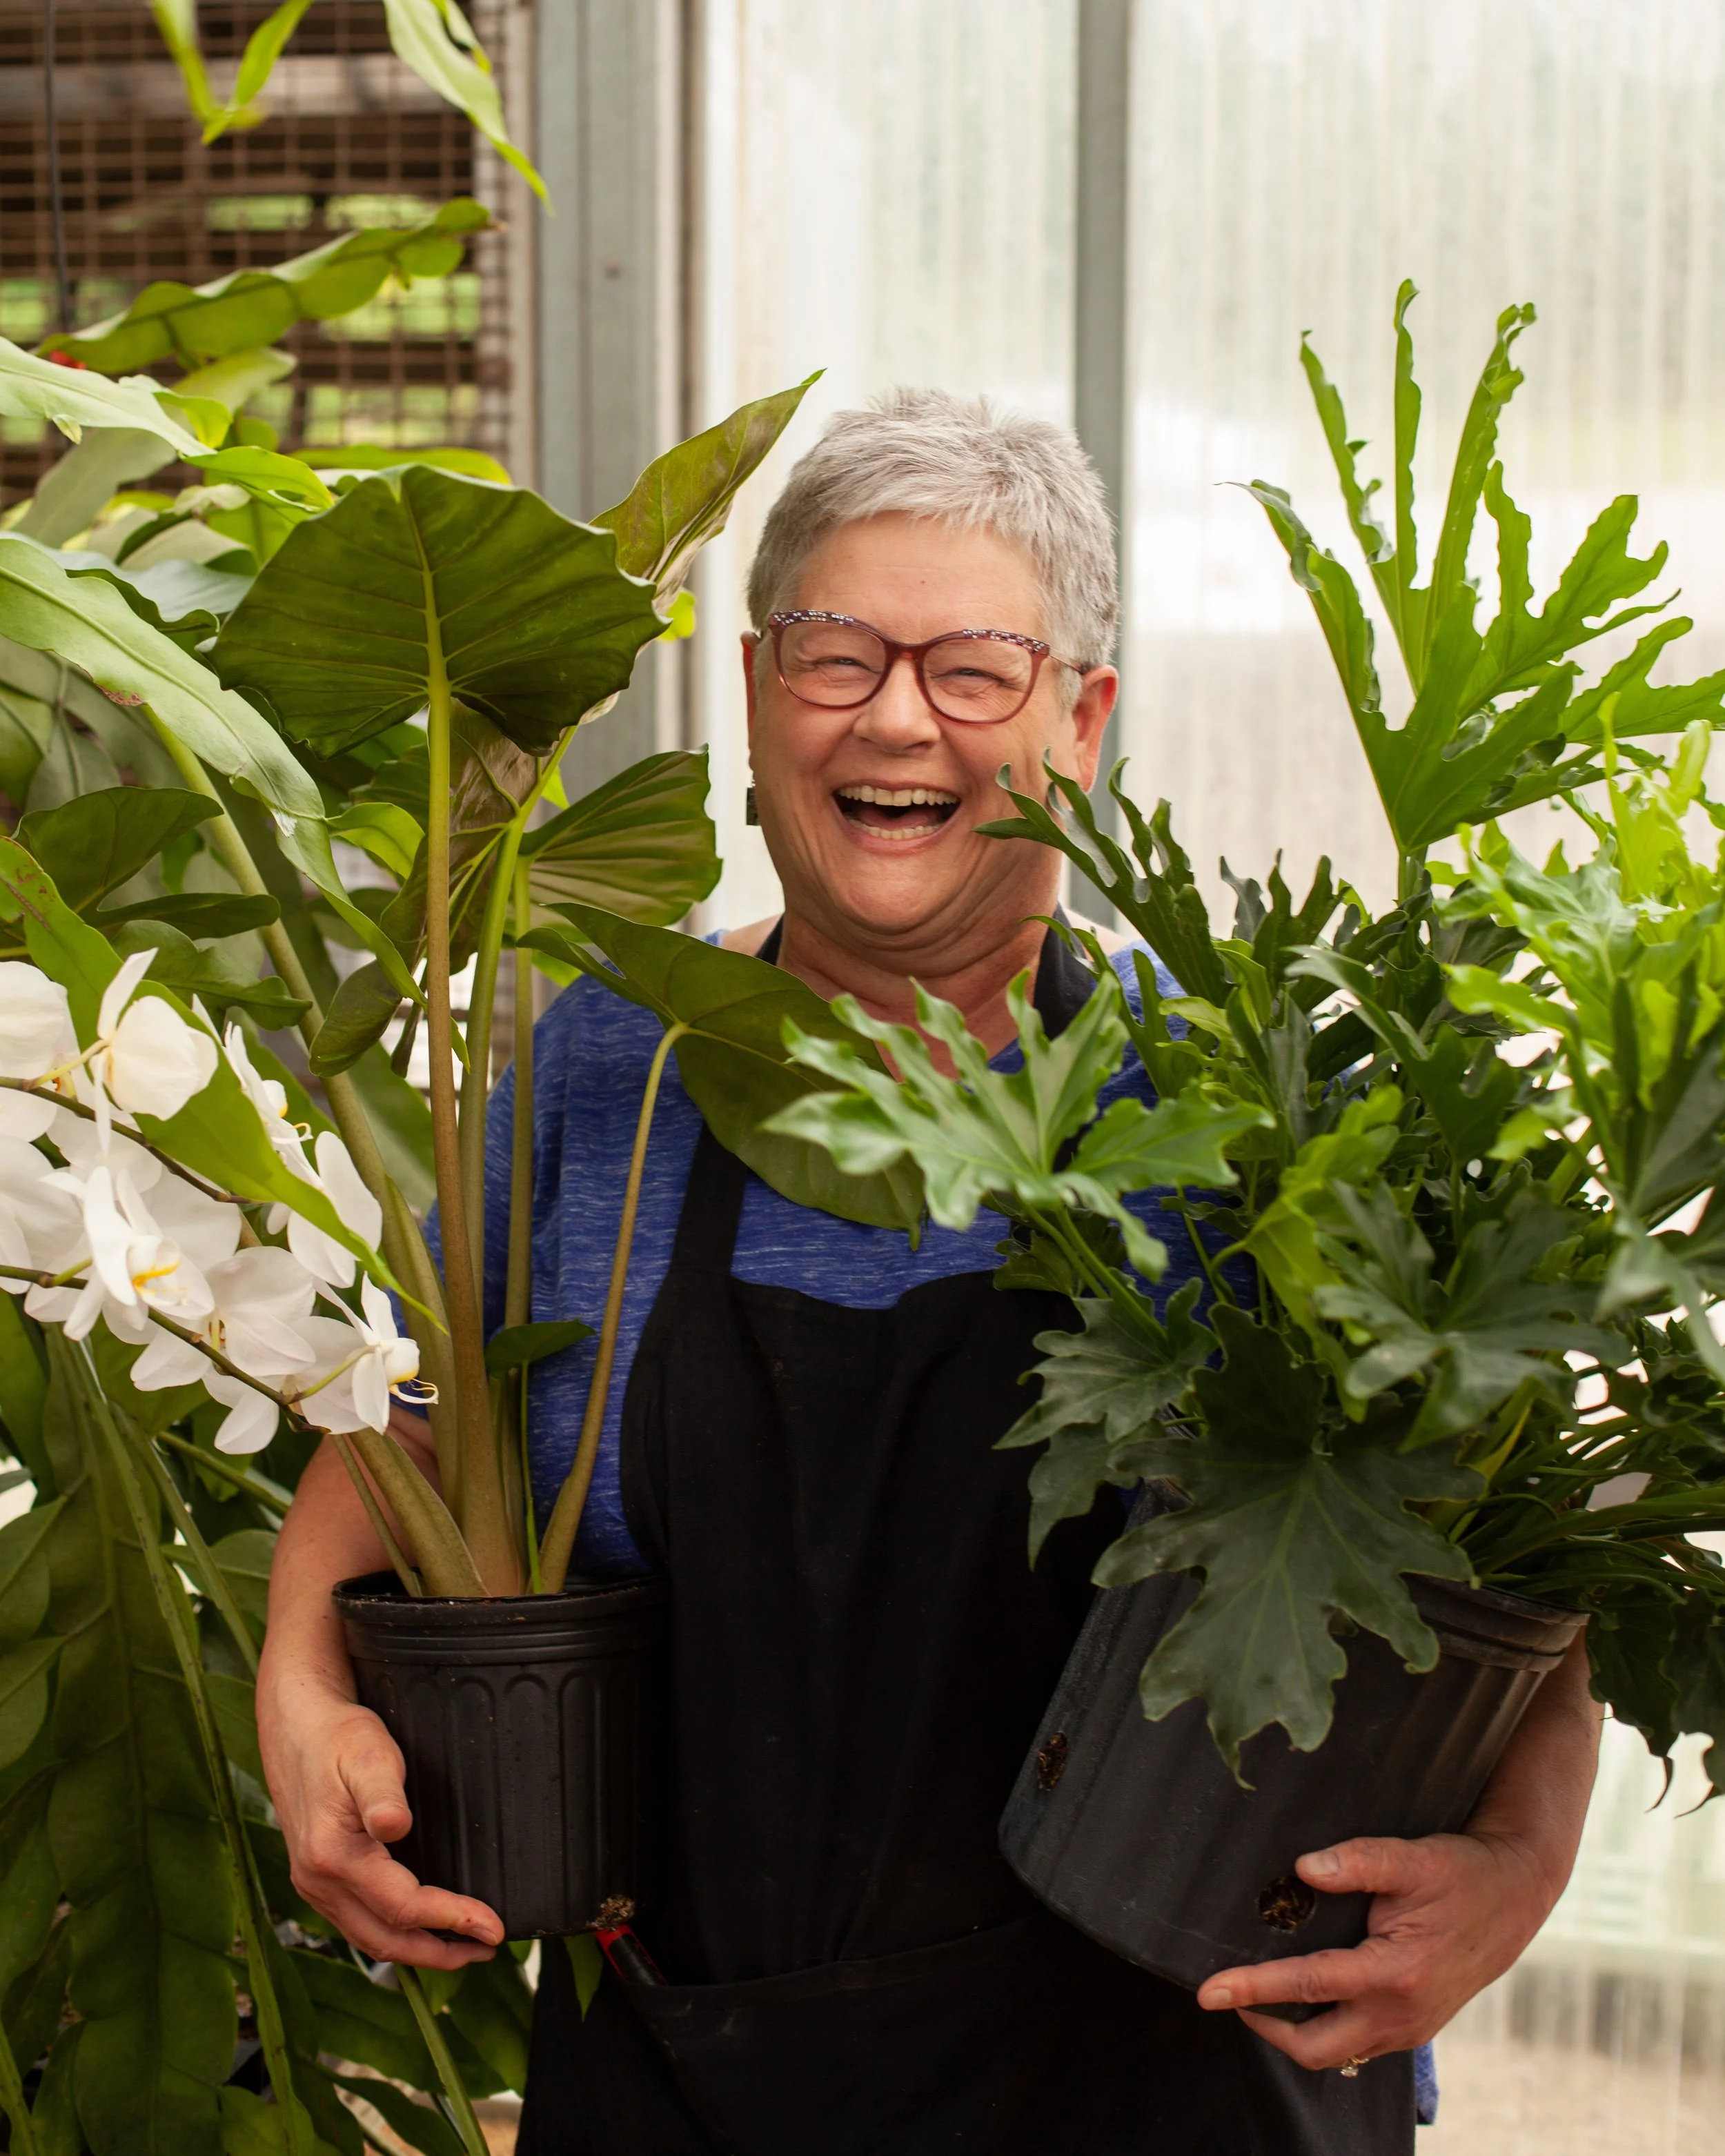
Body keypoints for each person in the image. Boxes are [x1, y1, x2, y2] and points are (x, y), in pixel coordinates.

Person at [257, 390, 1603, 2154]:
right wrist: (298, 1683)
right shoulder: (618, 1060)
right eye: (834, 654)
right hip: (706, 2074)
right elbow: (416, 1443)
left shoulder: (1238, 1094)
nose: (896, 714)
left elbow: (1509, 1579)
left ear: (1082, 718)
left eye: (973, 666)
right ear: (752, 690)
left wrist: (1515, 1861)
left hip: (1179, 2080)